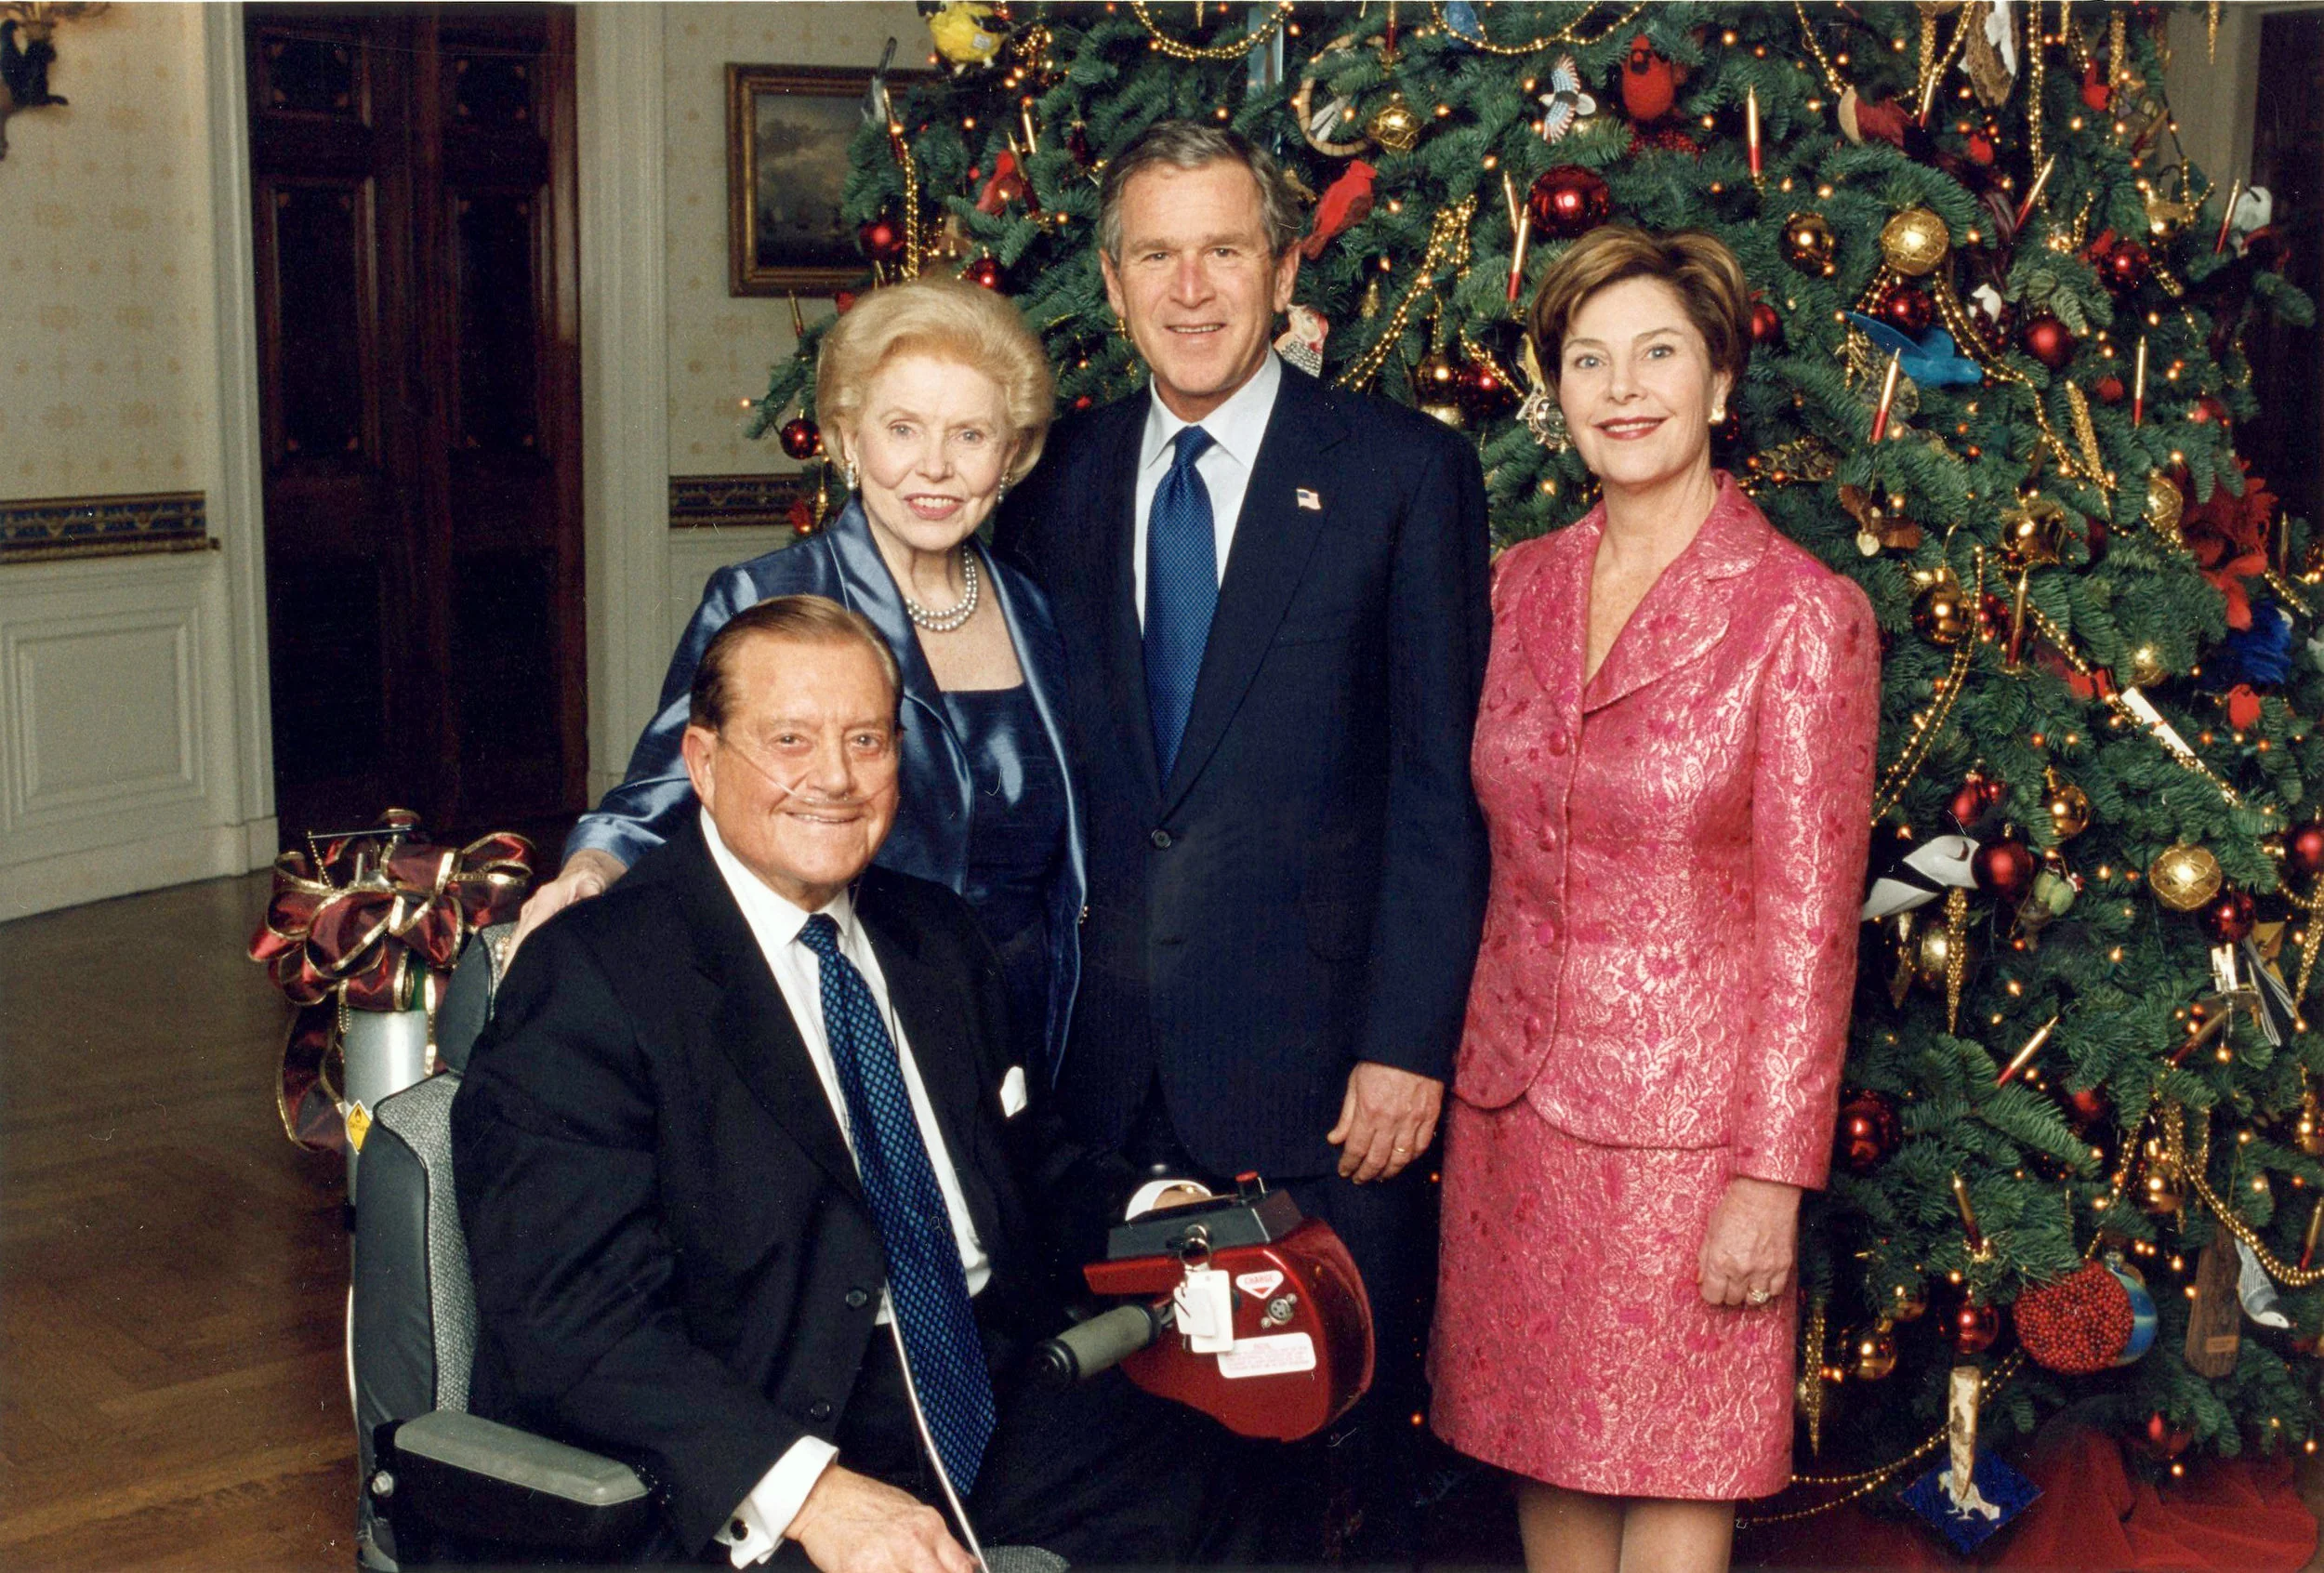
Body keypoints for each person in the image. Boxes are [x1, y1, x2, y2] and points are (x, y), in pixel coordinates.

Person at [454, 597, 1223, 1569]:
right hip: (751, 1426)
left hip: (979, 1379)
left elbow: (1025, 1166)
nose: (835, 778)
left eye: (866, 740)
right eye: (790, 740)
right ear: (701, 762)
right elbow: (572, 1318)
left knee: (1232, 1467)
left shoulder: (935, 937)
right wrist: (809, 1489)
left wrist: (1167, 1210)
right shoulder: (591, 979)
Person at [993, 119, 1493, 1544]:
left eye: (1225, 250)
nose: (1193, 288)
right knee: (1128, 1461)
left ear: (1284, 272)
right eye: (1159, 254)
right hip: (1103, 1085)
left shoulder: (1401, 476)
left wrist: (1408, 1042)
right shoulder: (1055, 482)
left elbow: (1434, 787)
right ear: (1111, 282)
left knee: (1314, 1478)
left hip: (1323, 1081)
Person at [1428, 225, 1882, 1573]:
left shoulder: (1801, 614)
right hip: (1512, 1108)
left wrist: (1771, 1181)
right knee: (1540, 1445)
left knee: (1678, 1463)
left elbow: (1812, 931)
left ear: (1722, 385)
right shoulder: (1515, 587)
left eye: (1660, 354)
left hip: (1693, 1138)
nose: (1624, 388)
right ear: (1554, 393)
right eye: (1589, 360)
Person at [518, 278, 1083, 1076]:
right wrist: (588, 871)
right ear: (848, 440)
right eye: (902, 429)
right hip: (843, 1014)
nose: (934, 467)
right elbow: (663, 794)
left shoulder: (1038, 611)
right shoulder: (767, 595)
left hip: (1032, 1023)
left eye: (969, 435)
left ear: (1011, 454)